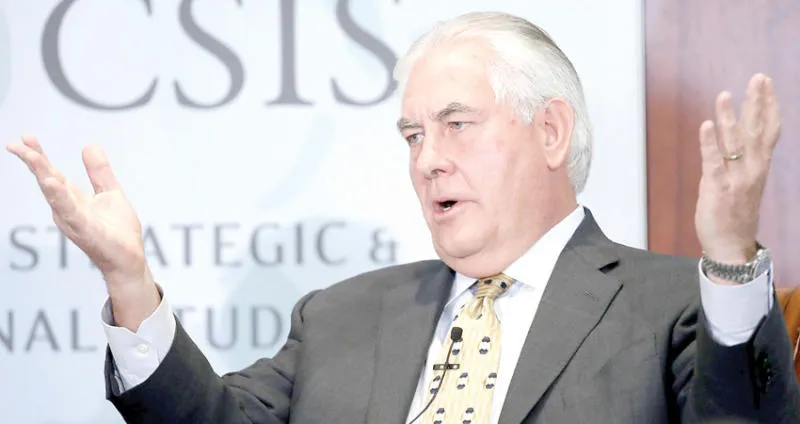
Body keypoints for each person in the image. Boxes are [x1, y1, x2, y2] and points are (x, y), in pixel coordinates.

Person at [7, 11, 800, 424]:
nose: (427, 160)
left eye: (457, 124)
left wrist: (731, 257)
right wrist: (129, 281)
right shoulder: (342, 317)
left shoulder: (668, 306)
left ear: (550, 132)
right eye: (414, 135)